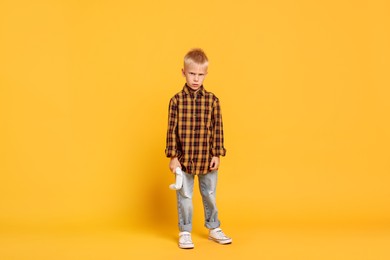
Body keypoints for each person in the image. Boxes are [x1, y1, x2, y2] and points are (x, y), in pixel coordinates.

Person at [165, 48, 232, 249]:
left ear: (206, 74)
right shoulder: (176, 101)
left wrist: (217, 153)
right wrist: (173, 157)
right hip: (183, 160)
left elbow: (218, 128)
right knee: (184, 196)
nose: (196, 78)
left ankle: (213, 228)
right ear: (183, 72)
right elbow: (171, 130)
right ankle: (185, 231)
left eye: (200, 74)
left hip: (206, 158)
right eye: (192, 73)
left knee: (209, 194)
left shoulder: (212, 101)